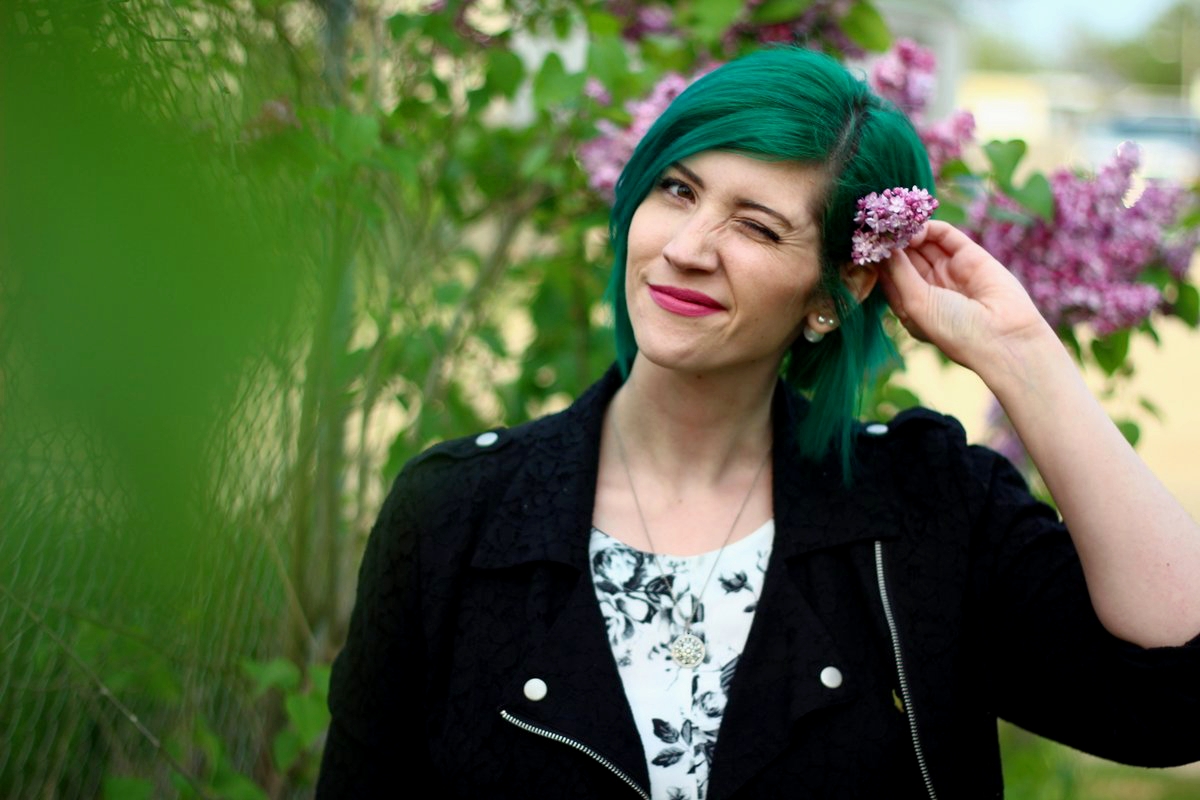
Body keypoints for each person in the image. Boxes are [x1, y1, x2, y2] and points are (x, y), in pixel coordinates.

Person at [315, 47, 1200, 799]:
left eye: (757, 227)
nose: (689, 247)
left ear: (833, 292)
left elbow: (1173, 697)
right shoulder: (455, 514)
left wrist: (1022, 357)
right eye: (677, 189)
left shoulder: (928, 511)